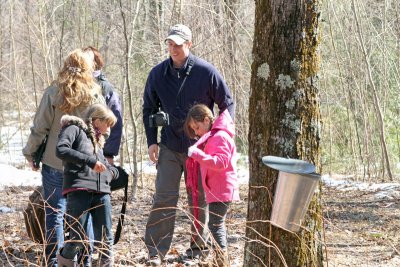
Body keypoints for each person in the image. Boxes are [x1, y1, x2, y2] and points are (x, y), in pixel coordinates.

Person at [142, 24, 235, 266]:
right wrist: (152, 140)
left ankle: (198, 248)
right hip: (170, 146)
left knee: (199, 199)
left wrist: (220, 136)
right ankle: (155, 251)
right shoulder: (157, 74)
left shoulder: (206, 72)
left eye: (178, 44)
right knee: (164, 196)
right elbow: (148, 109)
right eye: (170, 44)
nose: (173, 49)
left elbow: (227, 105)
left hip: (201, 149)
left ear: (189, 45)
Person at [22, 49, 104, 266]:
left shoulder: (53, 92)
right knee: (83, 214)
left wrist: (30, 152)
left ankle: (55, 262)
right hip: (85, 164)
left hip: (55, 162)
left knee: (54, 215)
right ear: (88, 69)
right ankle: (85, 261)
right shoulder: (95, 93)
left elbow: (40, 127)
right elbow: (103, 126)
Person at [55, 103, 118, 266]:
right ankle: (64, 261)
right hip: (79, 189)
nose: (109, 129)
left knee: (106, 237)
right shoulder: (73, 129)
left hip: (102, 192)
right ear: (97, 121)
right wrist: (90, 161)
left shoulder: (98, 141)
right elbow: (61, 150)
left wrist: (111, 173)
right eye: (108, 123)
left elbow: (104, 164)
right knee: (77, 239)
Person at [184, 104, 240, 267]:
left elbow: (221, 162)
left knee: (215, 225)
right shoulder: (214, 136)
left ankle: (222, 262)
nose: (196, 133)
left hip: (221, 189)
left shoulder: (219, 136)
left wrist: (197, 153)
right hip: (216, 189)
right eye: (193, 130)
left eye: (197, 127)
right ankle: (220, 260)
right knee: (215, 225)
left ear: (207, 120)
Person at [82, 46, 123, 165]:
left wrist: (108, 153)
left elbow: (115, 122)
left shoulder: (107, 89)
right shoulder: (77, 86)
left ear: (95, 63)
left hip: (100, 152)